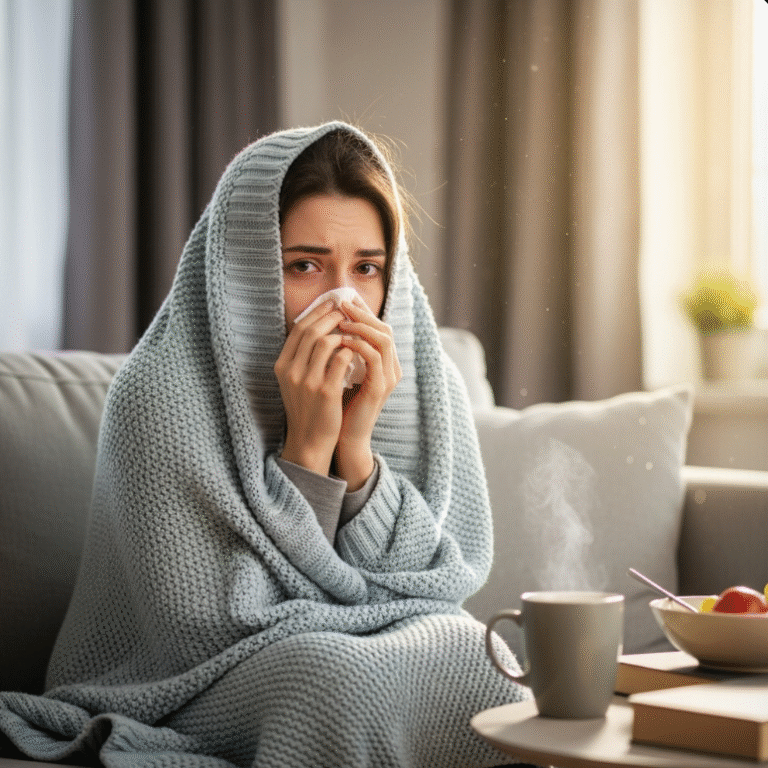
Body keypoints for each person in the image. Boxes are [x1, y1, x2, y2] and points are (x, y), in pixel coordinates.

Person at [0, 122, 530, 767]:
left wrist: (358, 453)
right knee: (335, 683)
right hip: (189, 682)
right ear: (244, 269)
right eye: (304, 265)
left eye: (367, 269)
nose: (342, 300)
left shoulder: (429, 382)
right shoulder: (158, 395)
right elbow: (208, 628)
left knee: (489, 660)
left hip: (347, 649)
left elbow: (443, 584)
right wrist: (308, 449)